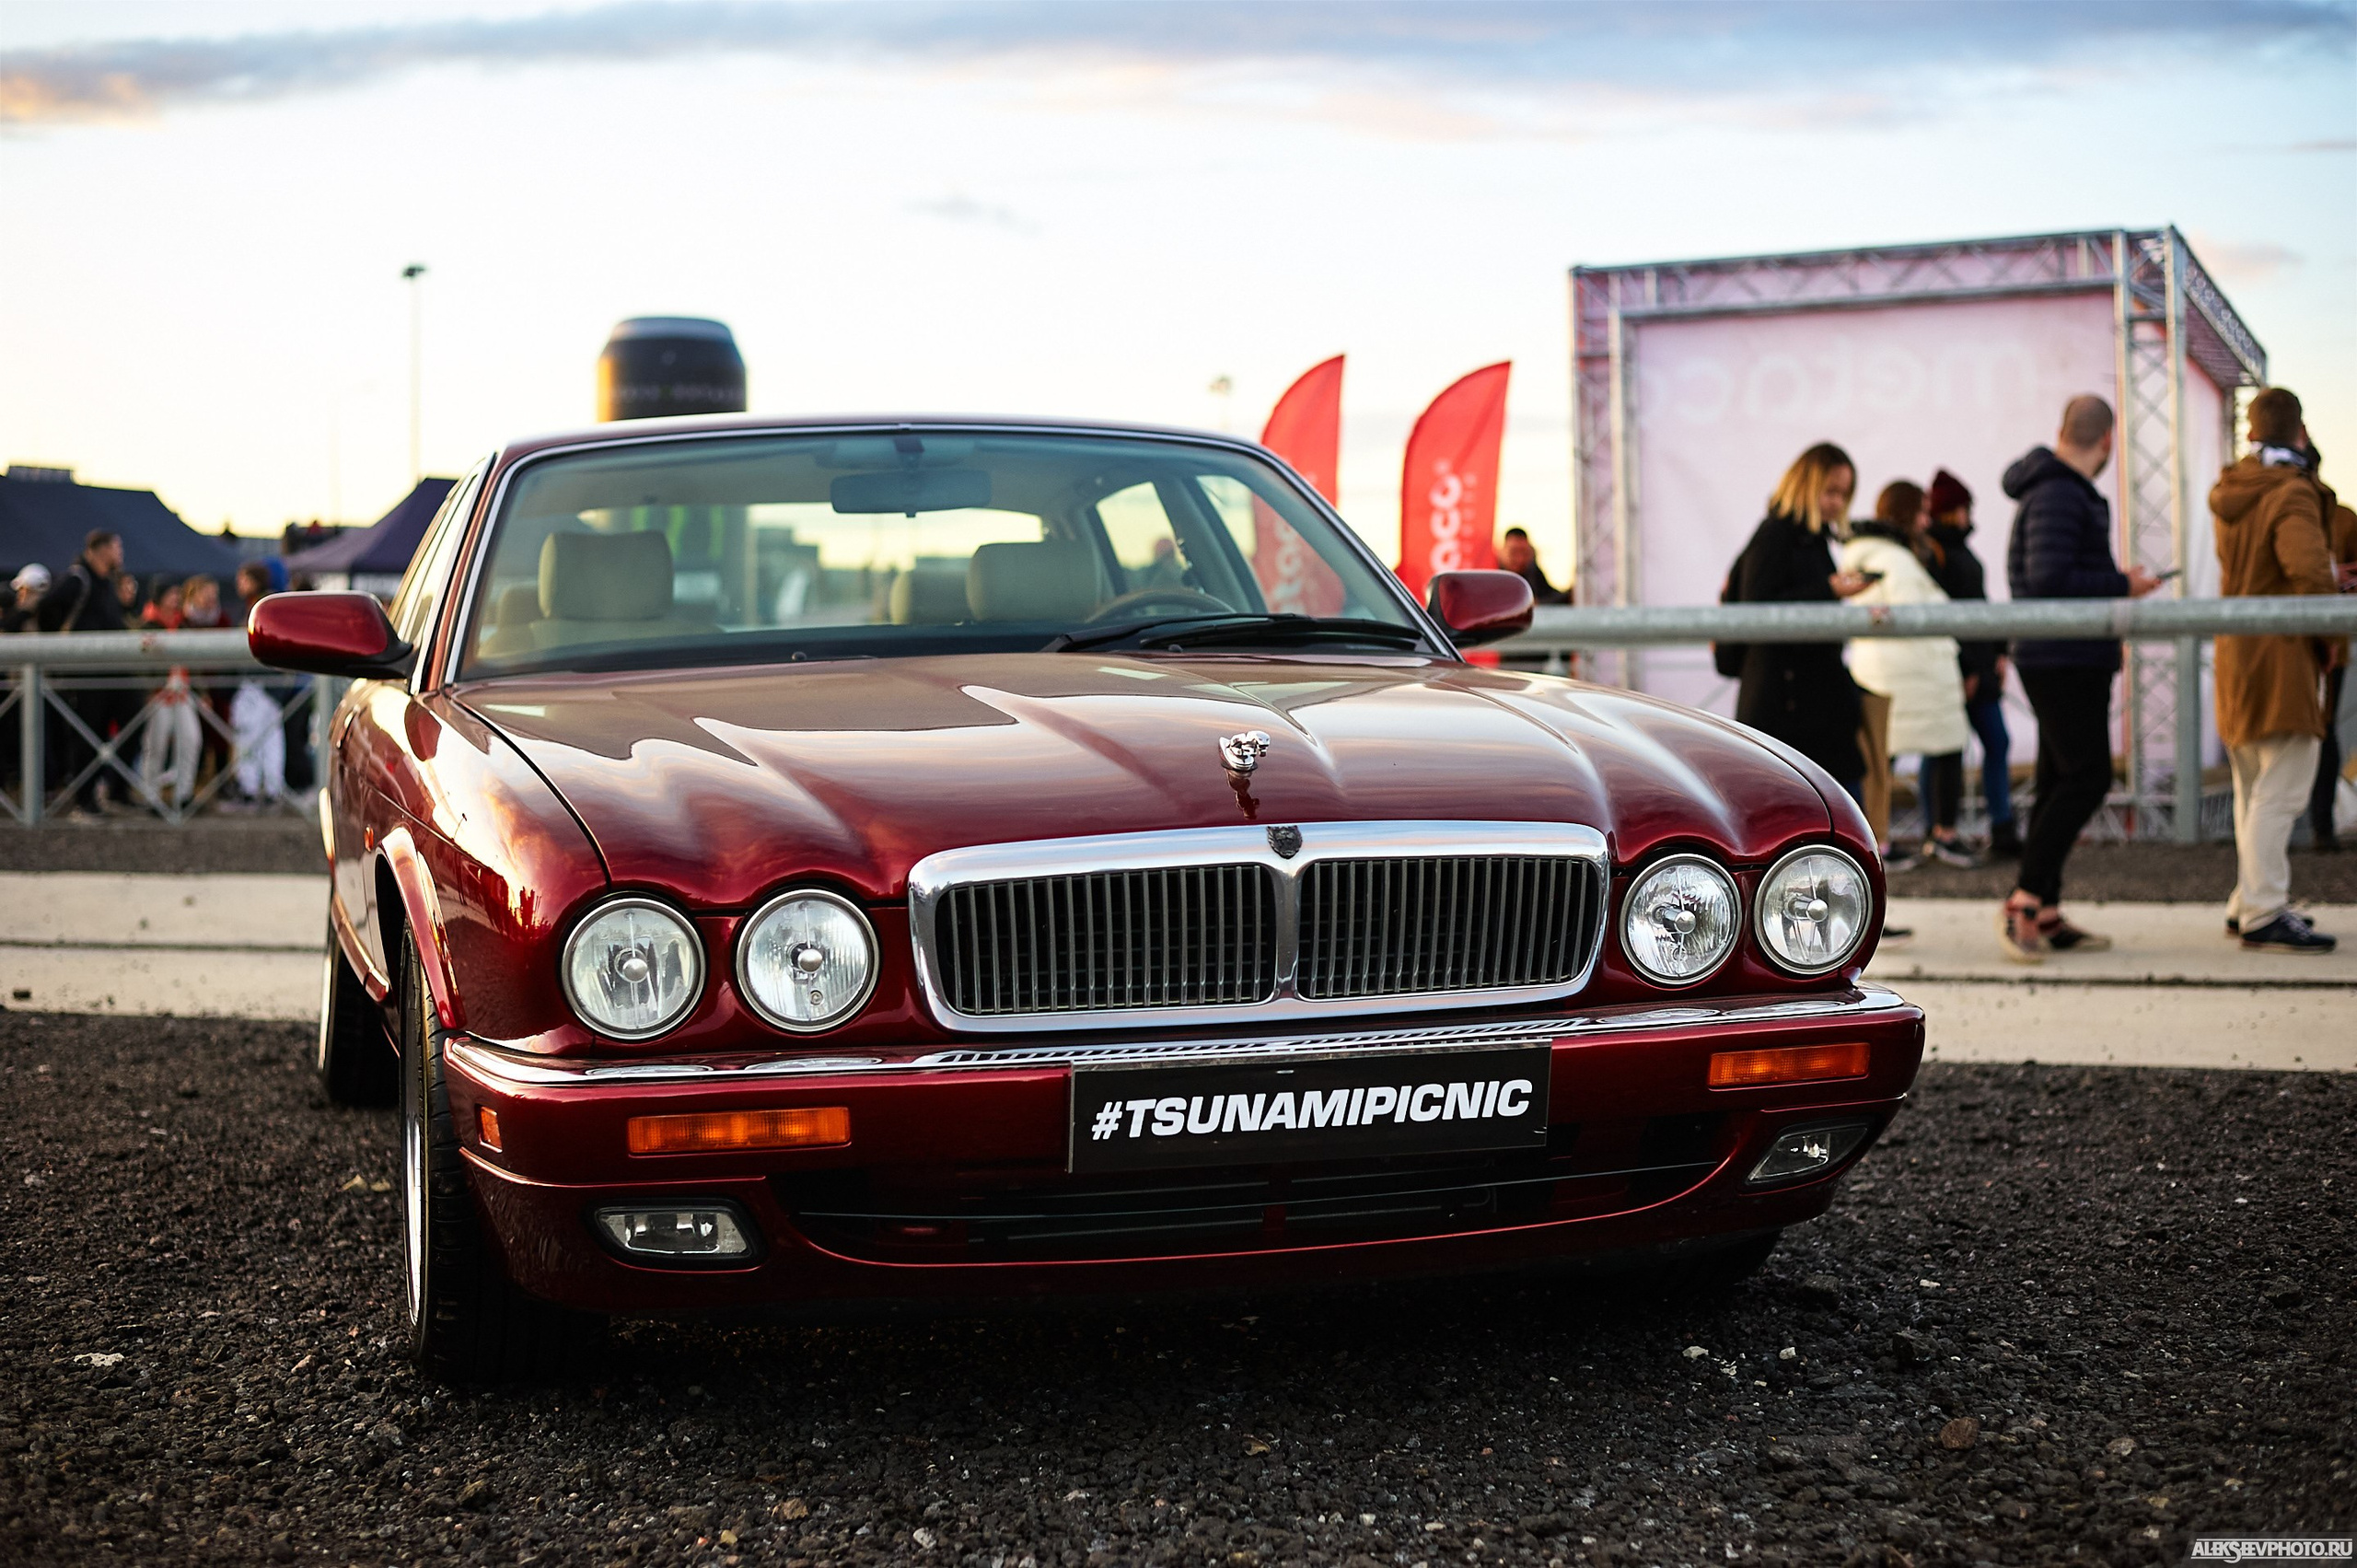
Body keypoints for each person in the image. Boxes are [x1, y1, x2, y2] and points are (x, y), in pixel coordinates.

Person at [1998, 395, 2163, 962]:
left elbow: (2052, 572)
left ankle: (2044, 906)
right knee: (2088, 777)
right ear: (2108, 440)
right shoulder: (2061, 492)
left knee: (2057, 778)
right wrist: (2121, 585)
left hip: (2062, 654)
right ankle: (2025, 900)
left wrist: (2116, 584)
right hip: (2062, 657)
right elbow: (2049, 577)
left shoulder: (2053, 489)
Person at [2211, 389, 2339, 954]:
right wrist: (2331, 636)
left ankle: (2247, 904)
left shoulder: (2233, 489)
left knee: (2253, 789)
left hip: (2236, 652)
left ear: (2250, 433)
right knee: (2283, 790)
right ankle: (2263, 910)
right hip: (2283, 655)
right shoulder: (2290, 491)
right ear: (2300, 433)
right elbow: (2308, 573)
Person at [1840, 481, 1973, 868]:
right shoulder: (1895, 558)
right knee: (1938, 750)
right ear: (1905, 513)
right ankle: (1933, 836)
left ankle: (1876, 840)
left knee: (1880, 758)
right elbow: (1914, 610)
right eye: (1921, 511)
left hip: (1888, 672)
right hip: (1914, 674)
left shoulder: (1868, 554)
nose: (1927, 520)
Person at [1732, 443, 1871, 797]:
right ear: (1806, 485)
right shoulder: (1776, 535)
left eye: (1844, 494)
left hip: (1813, 711)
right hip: (1786, 712)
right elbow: (1756, 609)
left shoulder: (1813, 538)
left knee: (1841, 807)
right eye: (1831, 491)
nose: (1838, 503)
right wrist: (1829, 589)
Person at [1924, 468, 2020, 856]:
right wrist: (1966, 668)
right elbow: (1941, 619)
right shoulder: (1935, 553)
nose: (1968, 514)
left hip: (1979, 666)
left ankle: (2000, 827)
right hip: (1961, 669)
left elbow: (1979, 606)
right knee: (1942, 747)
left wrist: (1999, 651)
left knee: (1991, 743)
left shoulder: (1957, 550)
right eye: (1962, 507)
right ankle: (1941, 830)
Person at [34, 529, 132, 815]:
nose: (120, 553)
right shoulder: (78, 579)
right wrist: (59, 647)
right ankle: (84, 801)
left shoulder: (105, 583)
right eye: (117, 547)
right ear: (101, 549)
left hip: (106, 673)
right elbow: (47, 606)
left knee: (114, 727)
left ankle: (112, 792)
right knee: (85, 736)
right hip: (82, 674)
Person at [2307, 461, 2357, 853]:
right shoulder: (2283, 510)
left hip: (2330, 647)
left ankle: (2322, 826)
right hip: (2291, 645)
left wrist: (2339, 578)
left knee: (2323, 731)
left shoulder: (2343, 520)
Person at [1499, 528, 1568, 604]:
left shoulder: (1534, 575)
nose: (1520, 559)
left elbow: (1554, 596)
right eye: (1514, 552)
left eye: (1524, 552)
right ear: (1502, 551)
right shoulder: (1494, 576)